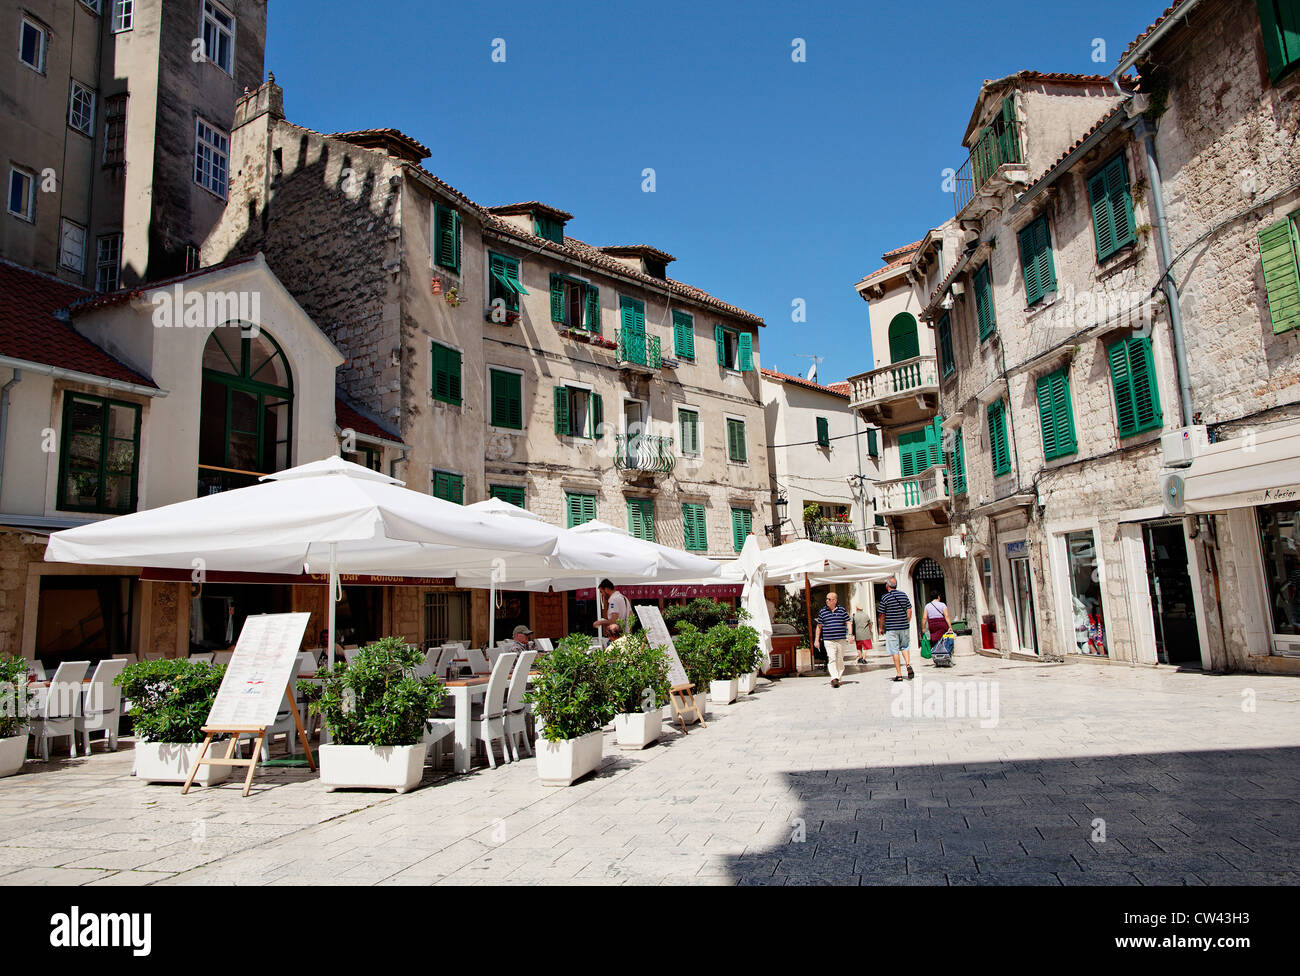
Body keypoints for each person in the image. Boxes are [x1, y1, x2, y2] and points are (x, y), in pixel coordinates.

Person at [877, 576, 914, 682]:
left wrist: (881, 627)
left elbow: (882, 614)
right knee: (905, 646)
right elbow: (909, 609)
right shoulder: (903, 595)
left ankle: (899, 674)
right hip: (904, 626)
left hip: (892, 627)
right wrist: (906, 620)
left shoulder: (885, 598)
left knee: (894, 650)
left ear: (887, 585)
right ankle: (907, 664)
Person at [815, 590, 852, 688]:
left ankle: (838, 678)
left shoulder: (842, 610)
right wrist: (816, 640)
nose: (827, 601)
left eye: (829, 599)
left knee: (839, 659)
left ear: (835, 600)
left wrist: (850, 634)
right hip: (828, 639)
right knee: (831, 658)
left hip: (840, 639)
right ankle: (834, 678)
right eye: (826, 599)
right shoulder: (822, 611)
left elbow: (848, 622)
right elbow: (819, 626)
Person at [923, 590, 951, 662]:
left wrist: (923, 628)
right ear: (938, 597)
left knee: (935, 640)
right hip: (942, 624)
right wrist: (950, 627)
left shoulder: (927, 606)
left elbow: (924, 618)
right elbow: (946, 616)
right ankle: (945, 656)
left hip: (932, 625)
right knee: (943, 640)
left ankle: (936, 657)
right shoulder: (942, 605)